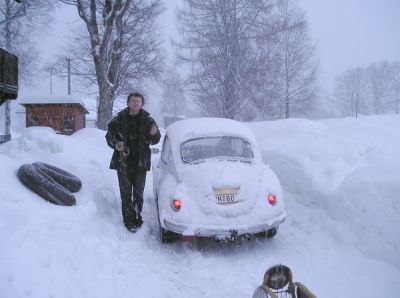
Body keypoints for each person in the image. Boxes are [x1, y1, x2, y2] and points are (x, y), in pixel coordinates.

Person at [106, 92, 161, 232]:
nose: (135, 103)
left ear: (142, 104)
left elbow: (155, 140)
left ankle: (137, 217)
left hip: (140, 163)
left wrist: (155, 133)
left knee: (138, 193)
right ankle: (129, 221)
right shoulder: (119, 118)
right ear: (128, 103)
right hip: (123, 162)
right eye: (133, 101)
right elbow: (109, 135)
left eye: (138, 101)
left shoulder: (148, 120)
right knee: (125, 194)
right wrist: (116, 143)